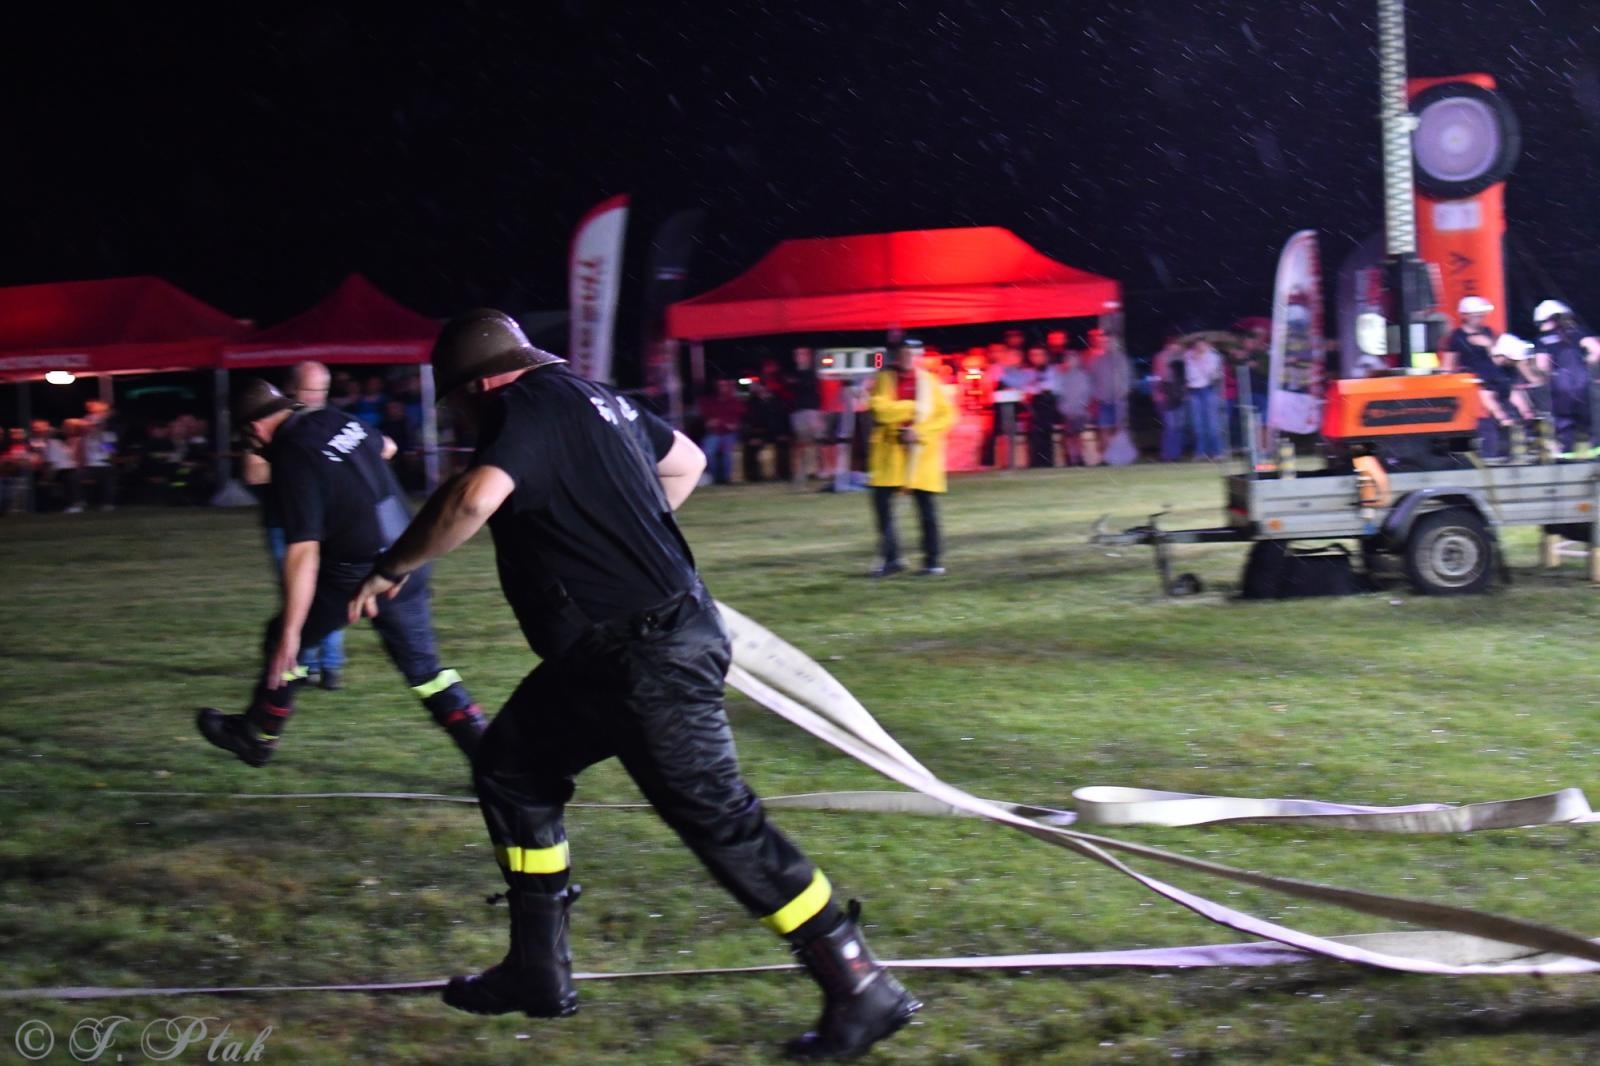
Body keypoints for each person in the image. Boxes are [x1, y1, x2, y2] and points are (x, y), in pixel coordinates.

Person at [348, 309, 919, 1059]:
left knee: (720, 821)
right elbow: (684, 462)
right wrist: (615, 530)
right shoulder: (598, 398)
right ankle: (538, 969)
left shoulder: (521, 406)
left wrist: (392, 566)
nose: (459, 419)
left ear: (479, 383)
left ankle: (859, 984)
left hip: (645, 655)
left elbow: (472, 499)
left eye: (457, 405)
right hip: (607, 656)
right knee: (512, 768)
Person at [198, 378, 485, 767]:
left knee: (285, 643)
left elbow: (303, 552)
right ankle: (494, 762)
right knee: (425, 671)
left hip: (356, 575)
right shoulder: (337, 419)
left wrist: (291, 632)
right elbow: (387, 446)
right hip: (407, 559)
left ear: (252, 430)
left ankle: (257, 736)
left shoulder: (292, 456)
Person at [242, 361, 349, 689]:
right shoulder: (272, 421)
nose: (317, 397)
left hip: (327, 522)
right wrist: (303, 466)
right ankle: (303, 665)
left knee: (329, 593)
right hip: (284, 523)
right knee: (296, 593)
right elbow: (252, 471)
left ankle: (329, 666)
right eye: (309, 390)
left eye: (323, 391)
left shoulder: (333, 421)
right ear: (291, 391)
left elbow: (381, 449)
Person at [866, 339, 956, 577]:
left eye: (910, 353)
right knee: (883, 507)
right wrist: (914, 408)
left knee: (927, 511)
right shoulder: (884, 380)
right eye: (902, 354)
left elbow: (947, 416)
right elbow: (879, 409)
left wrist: (919, 432)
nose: (906, 358)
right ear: (895, 356)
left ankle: (933, 561)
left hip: (921, 455)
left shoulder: (929, 382)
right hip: (891, 455)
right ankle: (892, 559)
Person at [1532, 299, 1600, 457]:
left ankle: (1566, 453)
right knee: (1590, 419)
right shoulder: (1578, 332)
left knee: (1564, 421)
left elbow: (1542, 367)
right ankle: (1595, 451)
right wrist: (1588, 363)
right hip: (1583, 381)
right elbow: (1596, 351)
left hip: (1560, 385)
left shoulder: (1542, 340)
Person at [785, 347, 825, 483]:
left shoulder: (814, 372)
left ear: (808, 355)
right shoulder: (792, 373)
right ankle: (801, 473)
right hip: (798, 412)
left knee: (817, 442)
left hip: (812, 411)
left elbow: (810, 387)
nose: (799, 356)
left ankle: (819, 471)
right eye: (797, 354)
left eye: (802, 354)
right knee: (801, 444)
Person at [1182, 338, 1225, 460]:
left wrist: (1200, 361)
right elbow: (1189, 374)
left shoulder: (1213, 356)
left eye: (1203, 345)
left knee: (1212, 423)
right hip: (1193, 391)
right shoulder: (1188, 355)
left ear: (1207, 345)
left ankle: (1216, 451)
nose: (1200, 347)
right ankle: (1200, 452)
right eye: (1198, 345)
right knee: (1197, 423)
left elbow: (1211, 374)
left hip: (1208, 389)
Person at [697, 377, 744, 484]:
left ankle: (727, 479)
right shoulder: (710, 402)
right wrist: (710, 423)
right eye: (720, 386)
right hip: (714, 433)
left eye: (724, 386)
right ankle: (713, 478)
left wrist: (725, 423)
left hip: (729, 434)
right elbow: (707, 421)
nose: (722, 388)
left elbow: (735, 424)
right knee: (707, 452)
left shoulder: (735, 402)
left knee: (728, 453)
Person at [1051, 350, 1092, 466]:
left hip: (1080, 411)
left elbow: (1086, 394)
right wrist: (1065, 409)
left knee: (1077, 435)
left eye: (1074, 359)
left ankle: (1079, 457)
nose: (1072, 362)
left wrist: (1080, 407)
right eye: (1069, 359)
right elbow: (1059, 394)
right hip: (1067, 411)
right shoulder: (1061, 375)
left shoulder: (1083, 376)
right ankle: (1070, 458)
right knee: (1069, 436)